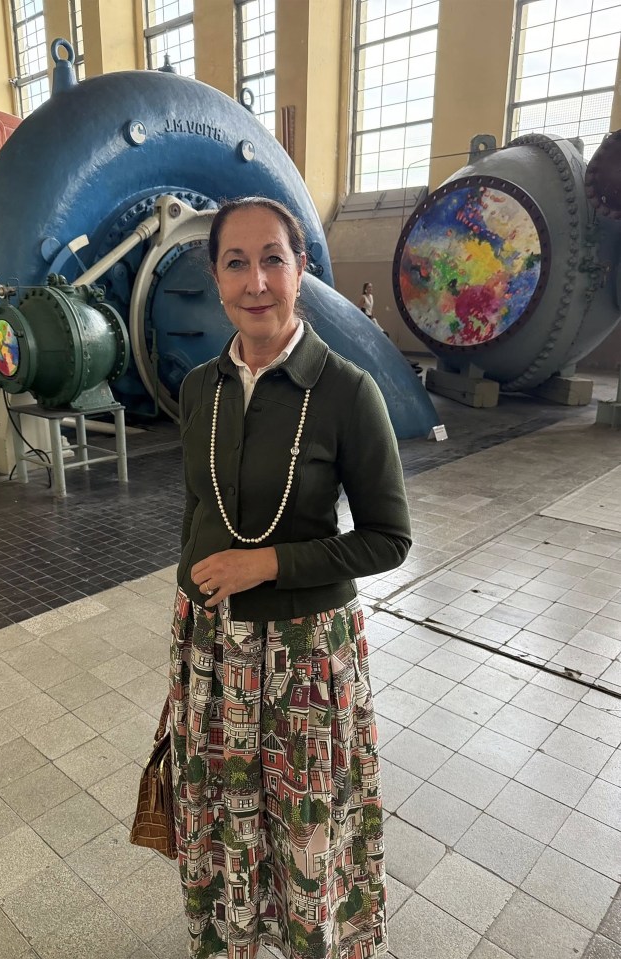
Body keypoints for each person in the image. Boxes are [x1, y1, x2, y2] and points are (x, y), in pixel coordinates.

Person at [171, 196, 411, 959]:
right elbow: (196, 510)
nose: (256, 281)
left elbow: (389, 538)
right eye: (236, 262)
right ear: (215, 278)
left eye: (273, 258)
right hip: (213, 647)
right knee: (223, 813)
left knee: (305, 823)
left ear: (302, 267)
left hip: (306, 657)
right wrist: (188, 630)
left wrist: (271, 562)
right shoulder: (198, 389)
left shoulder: (347, 391)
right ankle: (237, 936)